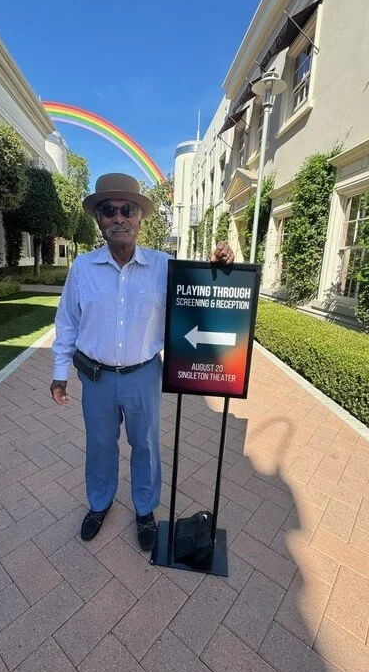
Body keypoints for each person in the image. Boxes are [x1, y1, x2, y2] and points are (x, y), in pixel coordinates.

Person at [50, 173, 234, 551]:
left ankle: (145, 510)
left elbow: (199, 288)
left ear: (139, 217)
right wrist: (59, 373)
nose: (118, 217)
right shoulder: (82, 269)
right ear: (99, 220)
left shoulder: (164, 266)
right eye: (108, 210)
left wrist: (220, 264)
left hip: (144, 375)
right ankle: (99, 504)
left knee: (146, 445)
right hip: (96, 378)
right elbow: (67, 322)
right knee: (100, 445)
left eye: (127, 209)